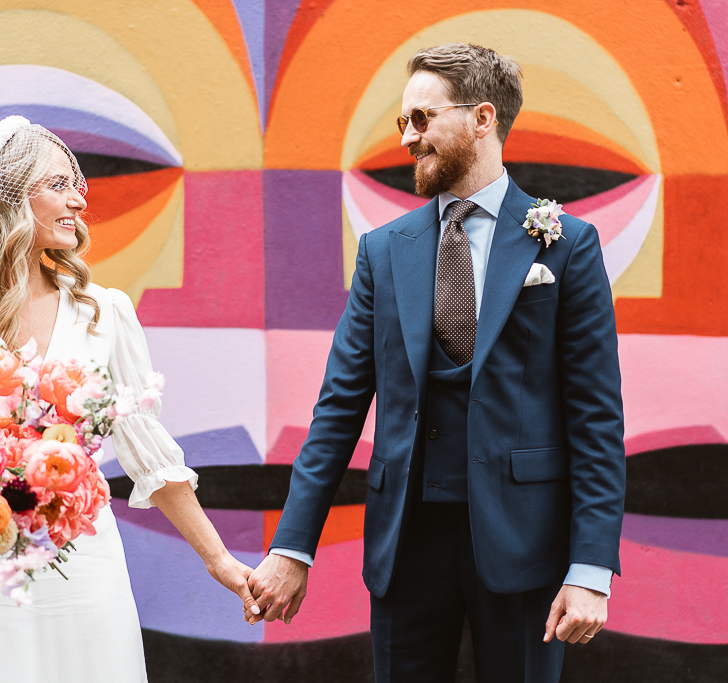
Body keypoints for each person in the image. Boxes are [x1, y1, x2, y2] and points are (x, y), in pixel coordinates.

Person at [246, 44, 625, 682]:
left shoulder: (566, 245)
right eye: (403, 123)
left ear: (482, 119)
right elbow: (339, 407)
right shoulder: (384, 251)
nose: (407, 138)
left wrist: (591, 569)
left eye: (421, 119)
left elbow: (595, 418)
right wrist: (292, 547)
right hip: (406, 542)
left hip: (525, 544)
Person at [0, 115, 260, 682]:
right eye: (58, 185)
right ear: (8, 200)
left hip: (82, 570)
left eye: (76, 185)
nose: (79, 202)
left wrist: (219, 559)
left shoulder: (102, 313)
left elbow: (151, 456)